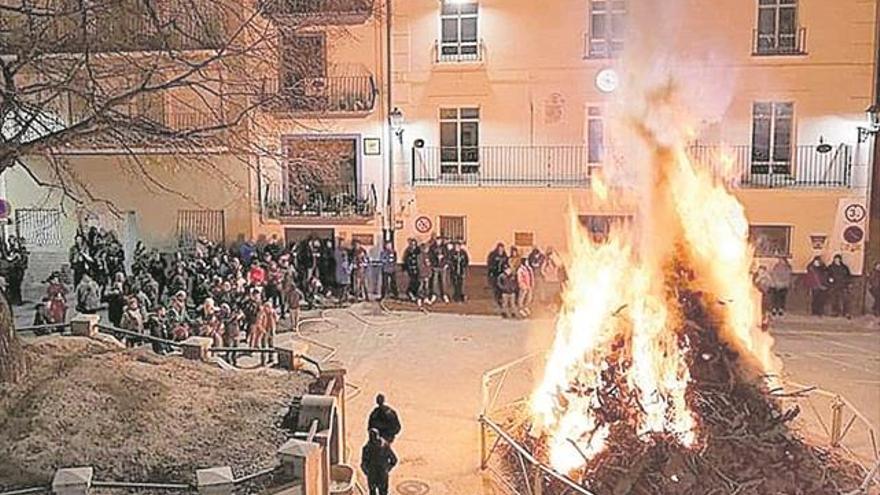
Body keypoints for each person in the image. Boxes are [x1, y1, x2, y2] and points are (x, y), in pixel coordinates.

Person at [361, 428, 398, 495]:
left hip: (377, 475)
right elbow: (363, 463)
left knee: (379, 492)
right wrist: (386, 468)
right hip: (378, 474)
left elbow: (394, 460)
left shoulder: (383, 446)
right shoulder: (367, 448)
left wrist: (387, 469)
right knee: (378, 492)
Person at [827, 254, 852, 319]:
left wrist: (848, 283)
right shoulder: (831, 267)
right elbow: (827, 275)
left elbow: (848, 276)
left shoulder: (844, 268)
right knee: (834, 299)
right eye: (836, 259)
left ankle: (845, 312)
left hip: (843, 285)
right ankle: (835, 312)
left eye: (838, 259)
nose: (837, 260)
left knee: (845, 299)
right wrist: (830, 279)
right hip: (834, 285)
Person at [429, 237, 449, 303]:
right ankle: (434, 295)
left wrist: (446, 263)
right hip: (435, 267)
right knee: (434, 281)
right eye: (437, 240)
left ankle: (445, 295)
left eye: (440, 240)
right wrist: (433, 263)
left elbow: (447, 256)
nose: (439, 241)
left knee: (444, 281)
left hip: (443, 267)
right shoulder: (432, 247)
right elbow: (430, 257)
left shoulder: (445, 247)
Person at [416, 243, 432, 307]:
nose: (428, 249)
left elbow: (429, 265)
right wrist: (424, 275)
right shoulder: (419, 256)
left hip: (427, 274)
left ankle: (426, 298)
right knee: (421, 287)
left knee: (426, 287)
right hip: (422, 275)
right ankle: (419, 299)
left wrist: (429, 273)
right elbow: (420, 266)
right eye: (426, 248)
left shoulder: (427, 256)